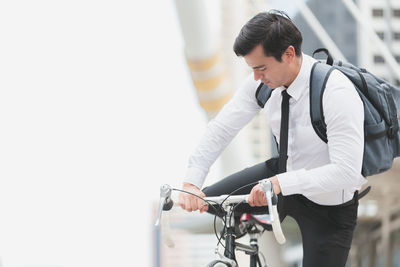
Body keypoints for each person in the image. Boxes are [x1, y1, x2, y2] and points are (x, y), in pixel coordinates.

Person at [178, 10, 367, 267]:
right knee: (210, 202)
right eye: (252, 68)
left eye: (261, 67)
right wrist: (191, 181)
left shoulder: (336, 92)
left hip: (329, 203)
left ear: (289, 54)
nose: (256, 77)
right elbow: (221, 129)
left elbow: (346, 172)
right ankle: (256, 223)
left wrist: (281, 184)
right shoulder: (261, 83)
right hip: (280, 177)